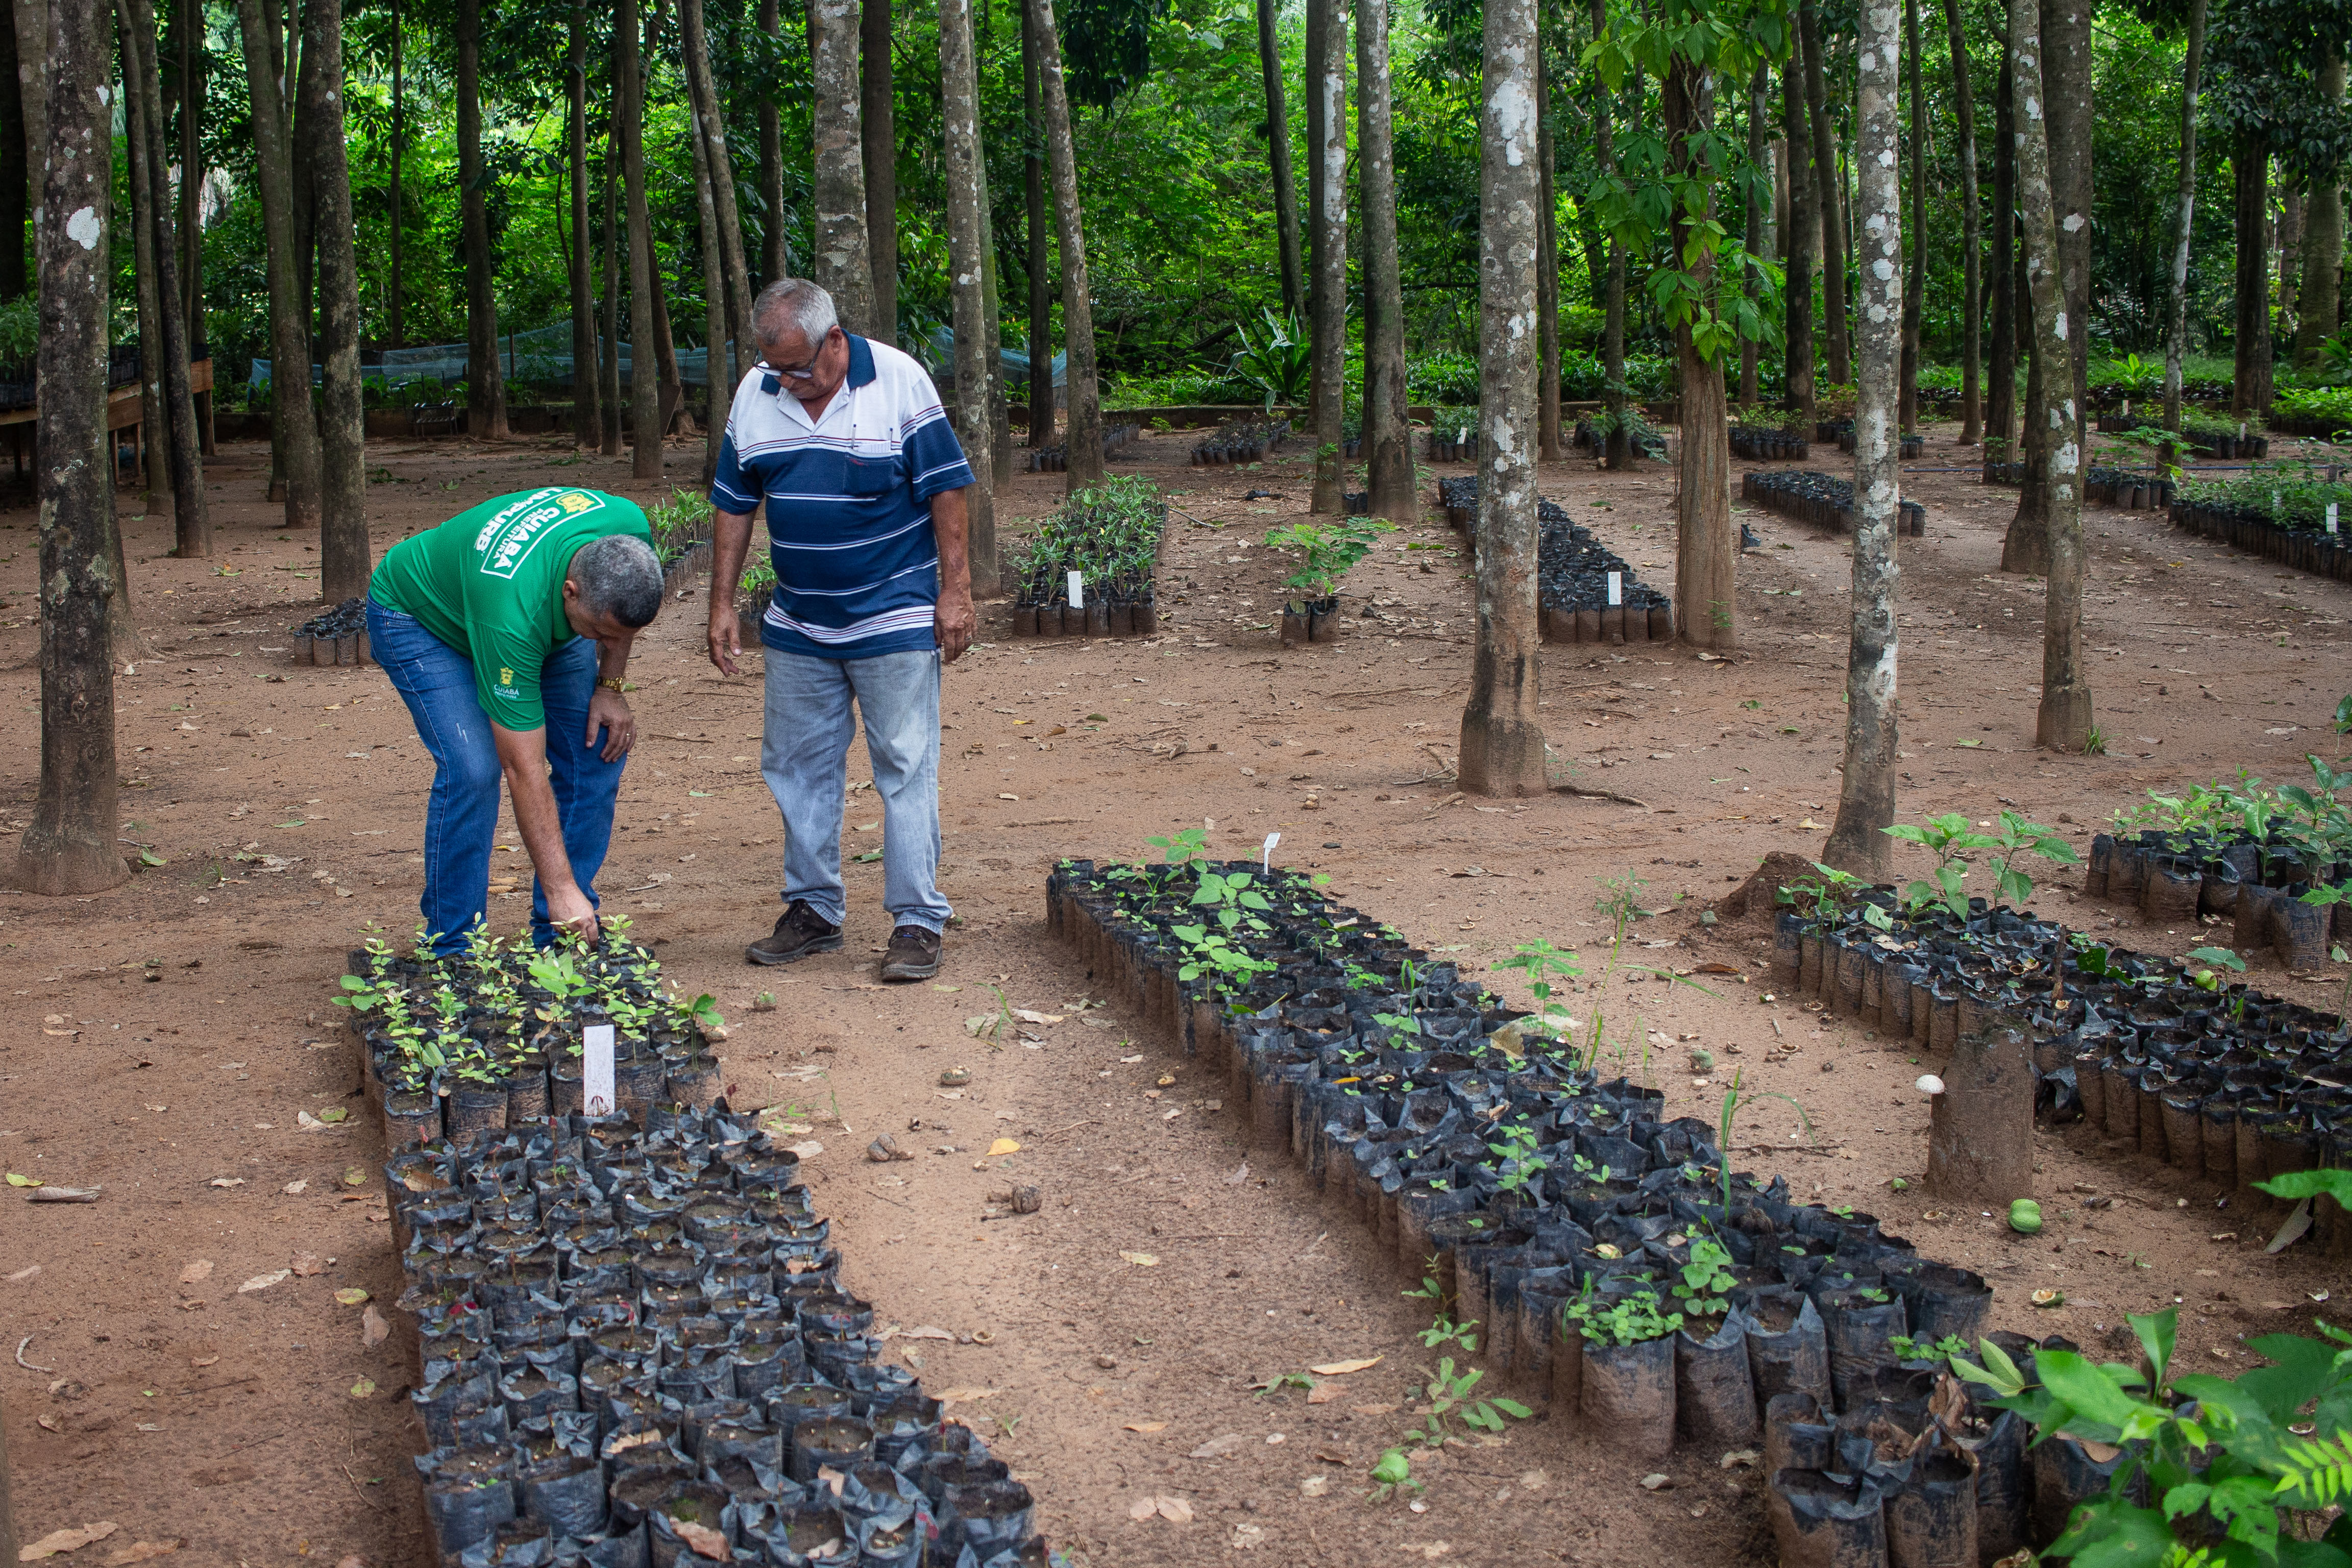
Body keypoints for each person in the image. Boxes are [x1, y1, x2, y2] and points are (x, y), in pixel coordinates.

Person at [705, 278, 976, 982]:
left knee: (905, 764)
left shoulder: (899, 380)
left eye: (798, 368)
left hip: (894, 610)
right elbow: (735, 501)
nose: (787, 382)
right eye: (775, 369)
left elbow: (947, 487)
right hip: (800, 619)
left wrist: (956, 591)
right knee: (796, 767)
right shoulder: (758, 391)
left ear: (834, 340)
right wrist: (721, 603)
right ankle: (813, 910)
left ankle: (917, 919)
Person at [367, 486, 665, 954]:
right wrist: (558, 885)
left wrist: (610, 687)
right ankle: (453, 945)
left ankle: (562, 931)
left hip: (526, 612)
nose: (607, 644)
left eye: (617, 636)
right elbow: (523, 769)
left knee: (596, 751)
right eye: (598, 633)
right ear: (571, 591)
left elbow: (616, 625)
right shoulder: (513, 615)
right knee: (474, 769)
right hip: (422, 619)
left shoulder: (628, 530)